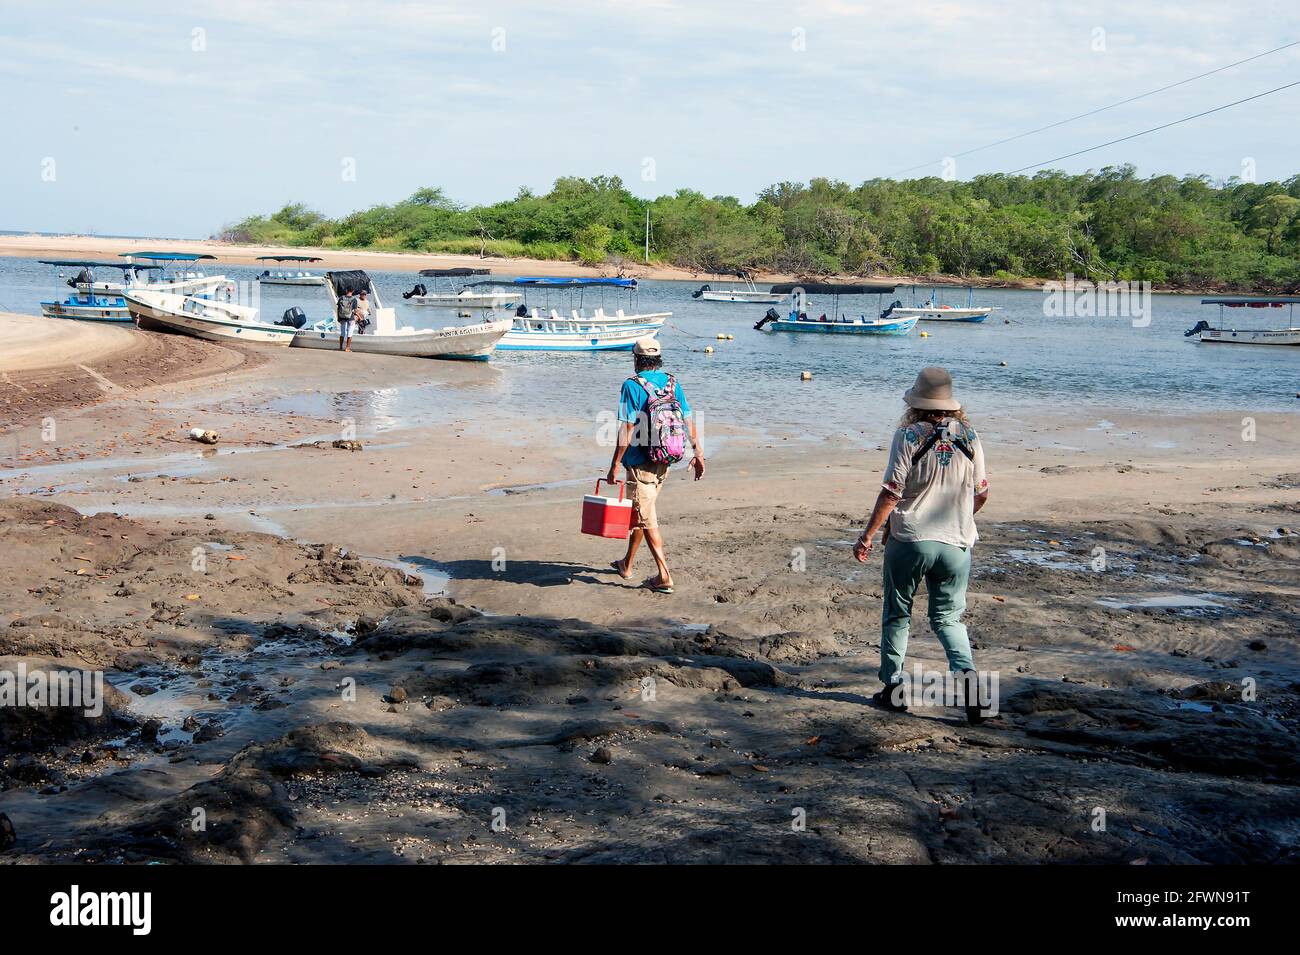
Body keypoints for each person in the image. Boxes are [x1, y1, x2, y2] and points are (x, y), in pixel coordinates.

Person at [853, 366, 990, 724]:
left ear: (917, 402)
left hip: (912, 539)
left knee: (898, 614)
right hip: (958, 543)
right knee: (949, 619)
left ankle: (894, 691)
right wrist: (961, 515)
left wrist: (868, 534)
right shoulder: (971, 436)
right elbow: (982, 492)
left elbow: (891, 492)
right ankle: (975, 694)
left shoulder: (908, 435)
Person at [605, 337, 705, 594]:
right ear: (658, 359)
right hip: (666, 459)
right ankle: (626, 564)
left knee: (647, 518)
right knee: (642, 513)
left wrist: (614, 464)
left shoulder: (632, 385)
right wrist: (699, 452)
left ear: (636, 358)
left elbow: (627, 428)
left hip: (640, 464)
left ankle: (664, 576)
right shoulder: (672, 382)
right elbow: (687, 418)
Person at [336, 287, 357, 351]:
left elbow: (338, 308)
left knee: (342, 333)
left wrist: (338, 317)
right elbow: (355, 310)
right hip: (350, 318)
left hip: (342, 317)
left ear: (346, 290)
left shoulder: (341, 298)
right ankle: (347, 348)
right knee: (350, 333)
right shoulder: (354, 299)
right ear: (353, 291)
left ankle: (340, 347)